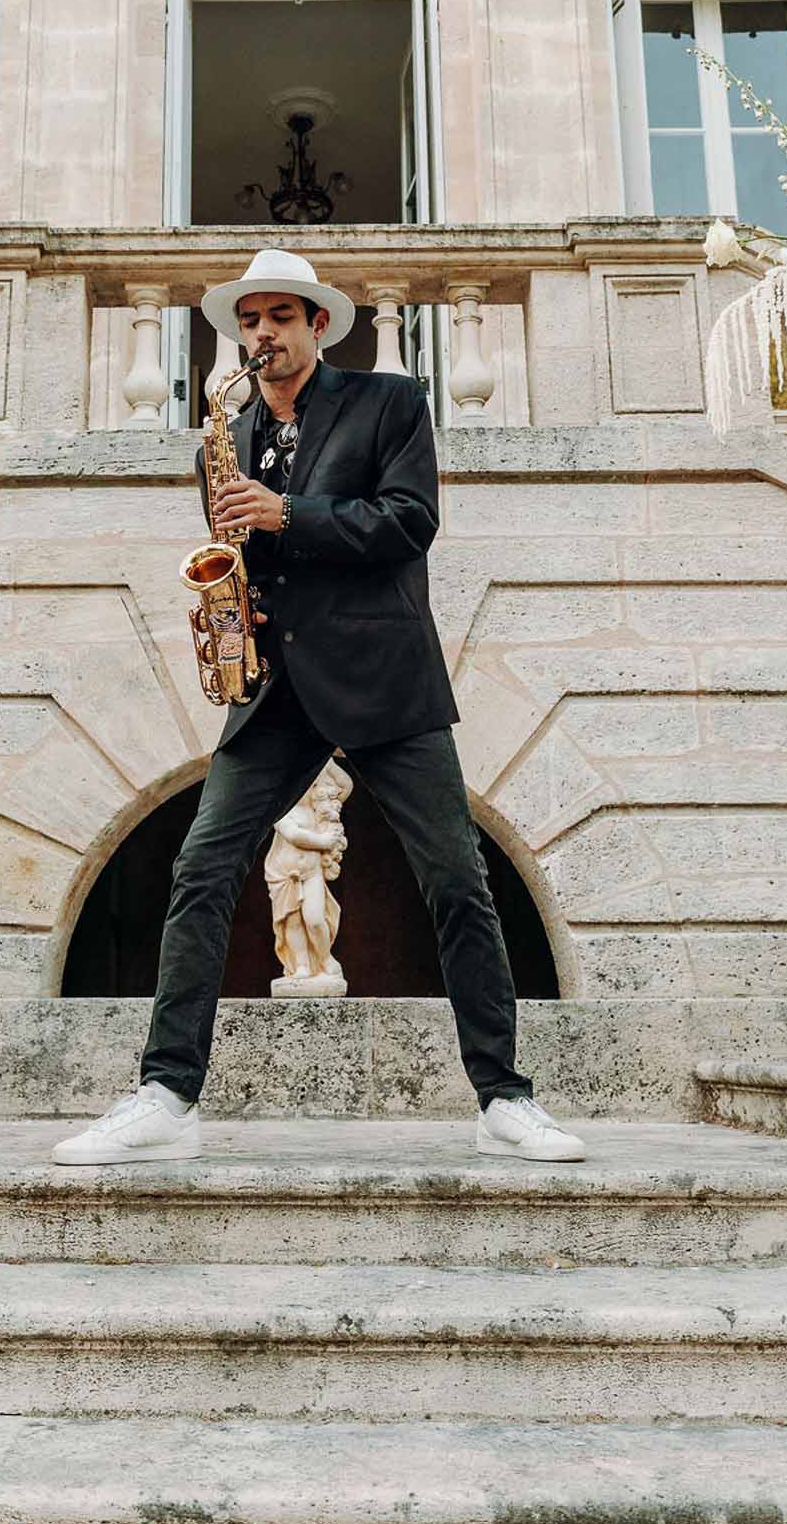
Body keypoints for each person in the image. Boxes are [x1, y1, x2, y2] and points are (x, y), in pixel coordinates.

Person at [53, 249, 586, 1167]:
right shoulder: (226, 434)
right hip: (275, 688)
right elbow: (246, 550)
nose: (262, 335)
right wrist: (236, 603)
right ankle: (167, 1093)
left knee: (457, 880)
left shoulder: (390, 403)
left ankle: (504, 1099)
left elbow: (408, 522)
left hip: (385, 675)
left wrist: (287, 514)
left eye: (280, 318)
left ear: (318, 326)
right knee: (200, 872)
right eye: (248, 322)